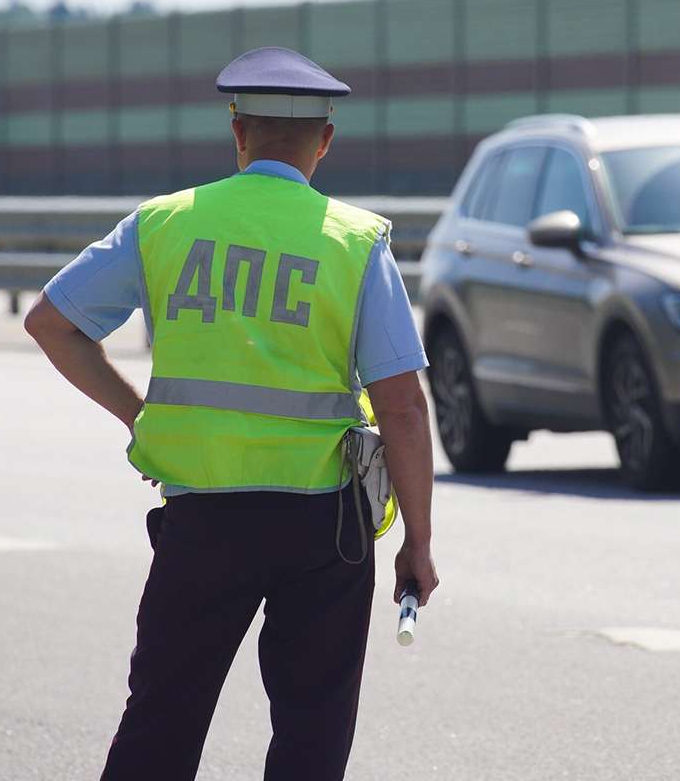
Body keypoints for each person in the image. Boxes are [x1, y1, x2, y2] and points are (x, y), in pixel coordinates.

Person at [23, 46, 439, 781]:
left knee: (161, 720)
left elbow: (53, 323)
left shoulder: (165, 223)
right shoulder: (354, 240)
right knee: (312, 727)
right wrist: (418, 542)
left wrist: (140, 417)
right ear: (326, 141)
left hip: (202, 521)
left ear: (238, 135)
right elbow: (403, 406)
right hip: (324, 526)